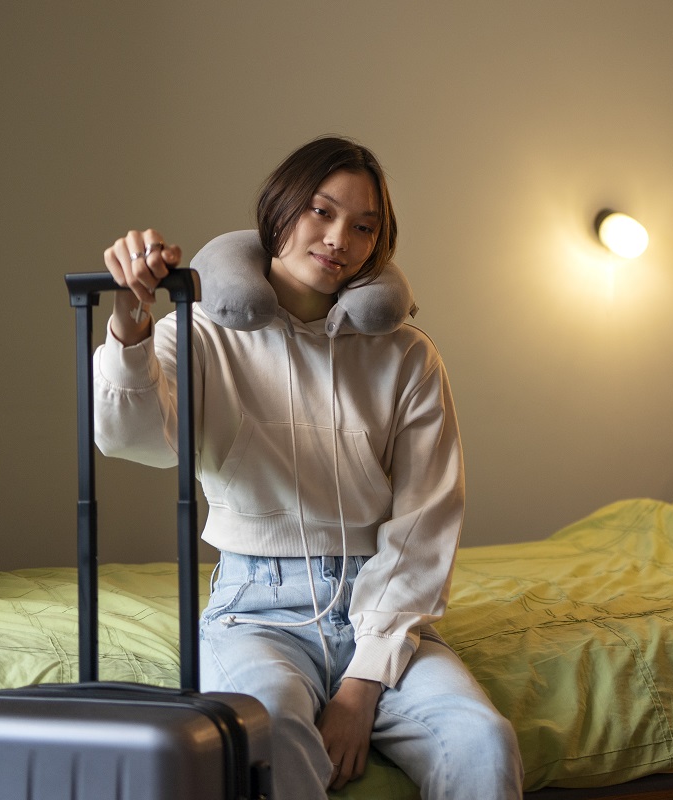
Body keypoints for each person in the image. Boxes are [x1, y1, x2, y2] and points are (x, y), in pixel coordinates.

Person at [94, 136, 522, 799]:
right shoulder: (200, 332)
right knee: (267, 735)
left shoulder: (407, 356)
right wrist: (130, 319)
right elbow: (133, 438)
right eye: (321, 212)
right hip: (255, 612)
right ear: (278, 209)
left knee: (483, 740)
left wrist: (360, 687)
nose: (339, 239)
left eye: (364, 227)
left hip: (379, 607)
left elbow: (425, 524)